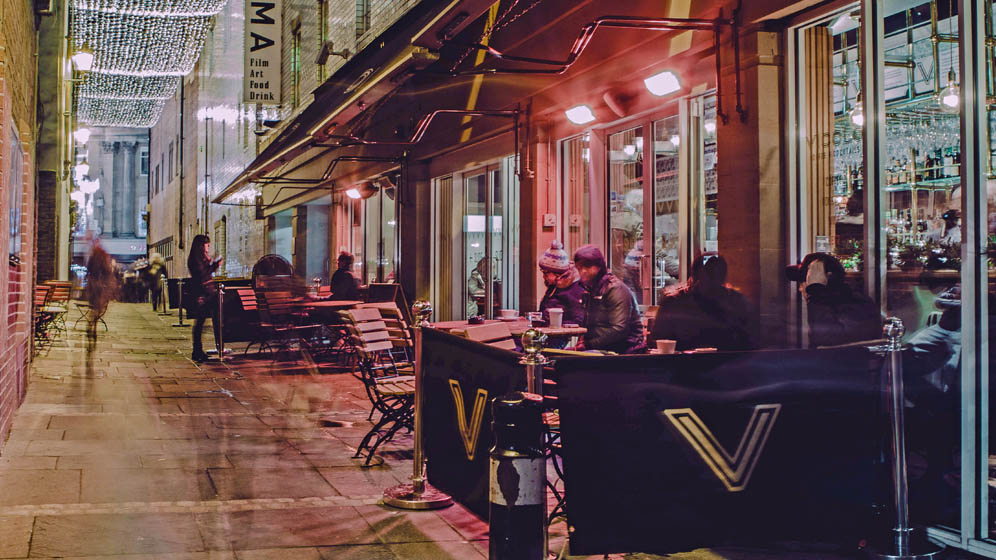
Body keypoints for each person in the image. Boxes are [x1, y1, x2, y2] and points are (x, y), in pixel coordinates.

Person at [649, 253, 753, 352]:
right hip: (688, 365)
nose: (709, 283)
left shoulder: (674, 302)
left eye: (714, 277)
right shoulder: (674, 303)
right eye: (708, 276)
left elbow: (746, 340)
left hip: (693, 365)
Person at [786, 252, 881, 348]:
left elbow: (827, 343)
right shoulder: (843, 302)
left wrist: (816, 291)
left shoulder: (857, 306)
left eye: (803, 282)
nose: (800, 289)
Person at [573, 244, 645, 354]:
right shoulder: (589, 289)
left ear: (598, 266)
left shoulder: (615, 290)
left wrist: (588, 344)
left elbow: (619, 330)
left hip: (623, 349)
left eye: (587, 267)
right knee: (556, 358)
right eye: (579, 268)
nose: (582, 271)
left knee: (566, 362)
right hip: (602, 347)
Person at [188, 234, 222, 362]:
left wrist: (213, 263)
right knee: (199, 323)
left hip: (205, 293)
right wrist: (214, 264)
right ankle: (196, 351)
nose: (208, 247)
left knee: (200, 323)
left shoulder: (199, 258)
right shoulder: (196, 259)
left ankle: (198, 350)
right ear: (201, 246)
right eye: (207, 245)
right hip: (201, 294)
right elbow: (202, 275)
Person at [537, 240, 585, 326]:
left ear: (558, 274)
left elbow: (578, 320)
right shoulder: (554, 287)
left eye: (546, 273)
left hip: (558, 335)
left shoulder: (575, 290)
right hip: (547, 331)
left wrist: (558, 324)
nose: (544, 276)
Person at [84, 235, 117, 356]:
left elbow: (89, 272)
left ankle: (92, 324)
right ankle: (93, 324)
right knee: (96, 309)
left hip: (94, 287)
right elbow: (107, 272)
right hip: (98, 288)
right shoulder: (102, 256)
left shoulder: (96, 255)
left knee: (94, 309)